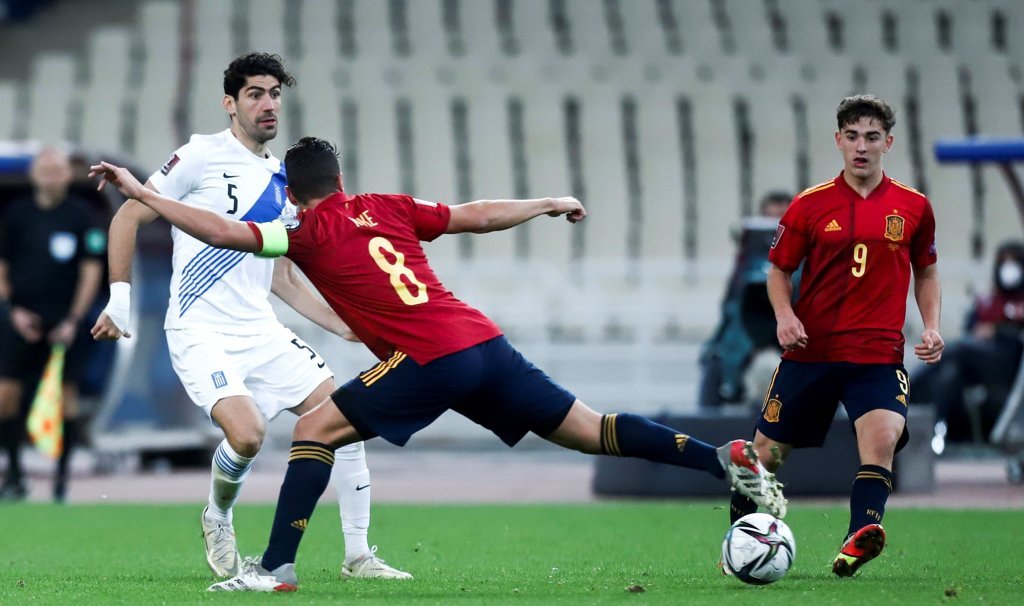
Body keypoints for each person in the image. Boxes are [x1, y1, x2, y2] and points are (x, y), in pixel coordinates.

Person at [90, 135, 788, 593]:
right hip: (484, 342)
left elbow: (219, 230)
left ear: (294, 193)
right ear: (342, 178)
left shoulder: (301, 229)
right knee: (590, 428)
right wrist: (545, 202)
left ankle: (273, 568)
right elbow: (474, 214)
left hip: (426, 356)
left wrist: (146, 194)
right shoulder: (389, 206)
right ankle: (720, 459)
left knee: (313, 430)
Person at [89, 53, 408, 580]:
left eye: (275, 94)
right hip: (199, 330)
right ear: (230, 104)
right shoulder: (200, 155)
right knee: (248, 435)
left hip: (261, 332)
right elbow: (128, 214)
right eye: (255, 94)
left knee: (345, 420)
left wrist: (342, 325)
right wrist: (118, 301)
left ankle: (358, 556)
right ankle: (218, 515)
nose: (268, 103)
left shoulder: (282, 181)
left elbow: (282, 276)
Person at [725, 95, 944, 578]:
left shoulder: (914, 206)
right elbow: (778, 270)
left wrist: (931, 326)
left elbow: (926, 271)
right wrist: (785, 315)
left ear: (888, 142)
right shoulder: (810, 204)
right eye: (852, 136)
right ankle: (738, 538)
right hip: (812, 352)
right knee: (765, 456)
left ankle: (858, 537)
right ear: (838, 140)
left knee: (881, 440)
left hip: (878, 355)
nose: (861, 147)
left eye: (871, 137)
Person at [0, 147, 106, 502]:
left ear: (67, 175)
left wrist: (73, 319)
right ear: (33, 175)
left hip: (64, 322)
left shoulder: (80, 217)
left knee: (66, 396)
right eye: (44, 170)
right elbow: (2, 267)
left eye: (57, 170)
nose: (51, 177)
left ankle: (61, 481)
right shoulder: (16, 216)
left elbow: (91, 271)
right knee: (6, 395)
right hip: (21, 319)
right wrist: (13, 310)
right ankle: (14, 475)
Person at [914, 240, 1024, 451]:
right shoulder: (988, 300)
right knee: (951, 372)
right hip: (976, 361)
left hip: (1009, 363)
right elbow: (971, 328)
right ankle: (936, 432)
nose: (1009, 269)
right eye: (1004, 262)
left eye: (1014, 262)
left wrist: (997, 330)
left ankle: (908, 387)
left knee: (957, 350)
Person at [699, 191, 794, 407]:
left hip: (793, 326)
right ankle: (733, 389)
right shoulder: (744, 266)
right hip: (747, 333)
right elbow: (731, 308)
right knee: (716, 358)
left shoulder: (807, 260)